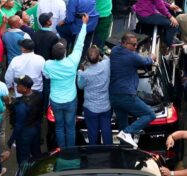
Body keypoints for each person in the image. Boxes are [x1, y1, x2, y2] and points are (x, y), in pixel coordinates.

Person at [45, 14, 88, 148]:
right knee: (70, 127)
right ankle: (70, 150)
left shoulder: (48, 64)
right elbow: (79, 44)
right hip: (70, 100)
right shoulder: (72, 62)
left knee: (59, 127)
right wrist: (84, 24)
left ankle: (62, 150)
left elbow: (46, 76)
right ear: (64, 53)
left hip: (56, 101)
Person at [109, 32, 156, 148]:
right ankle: (127, 133)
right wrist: (152, 58)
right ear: (124, 44)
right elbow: (146, 61)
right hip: (126, 95)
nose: (135, 47)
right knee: (150, 114)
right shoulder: (132, 56)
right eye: (133, 45)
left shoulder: (115, 51)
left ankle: (124, 151)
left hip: (114, 96)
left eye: (137, 45)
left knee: (122, 125)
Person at [77, 45, 112, 146]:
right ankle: (109, 151)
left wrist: (80, 70)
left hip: (91, 108)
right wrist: (100, 51)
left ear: (87, 59)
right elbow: (107, 57)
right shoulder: (106, 65)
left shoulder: (85, 74)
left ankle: (94, 154)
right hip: (105, 106)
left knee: (92, 132)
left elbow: (80, 86)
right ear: (98, 57)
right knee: (106, 130)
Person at [11, 75, 43, 164]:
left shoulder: (20, 105)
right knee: (36, 154)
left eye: (18, 85)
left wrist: (12, 139)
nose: (16, 86)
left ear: (25, 88)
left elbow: (18, 125)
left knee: (23, 158)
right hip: (36, 129)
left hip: (24, 133)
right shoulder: (38, 94)